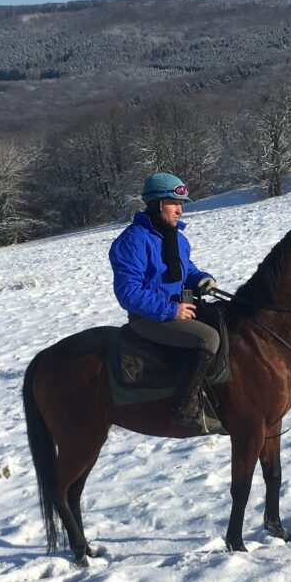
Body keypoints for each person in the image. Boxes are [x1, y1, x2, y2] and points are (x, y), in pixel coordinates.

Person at [109, 172, 221, 431]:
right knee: (208, 339)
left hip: (179, 308)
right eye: (175, 204)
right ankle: (186, 408)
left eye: (181, 204)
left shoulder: (177, 238)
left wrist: (202, 279)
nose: (180, 210)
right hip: (149, 317)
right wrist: (170, 309)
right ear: (158, 204)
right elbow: (128, 291)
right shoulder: (132, 241)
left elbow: (186, 271)